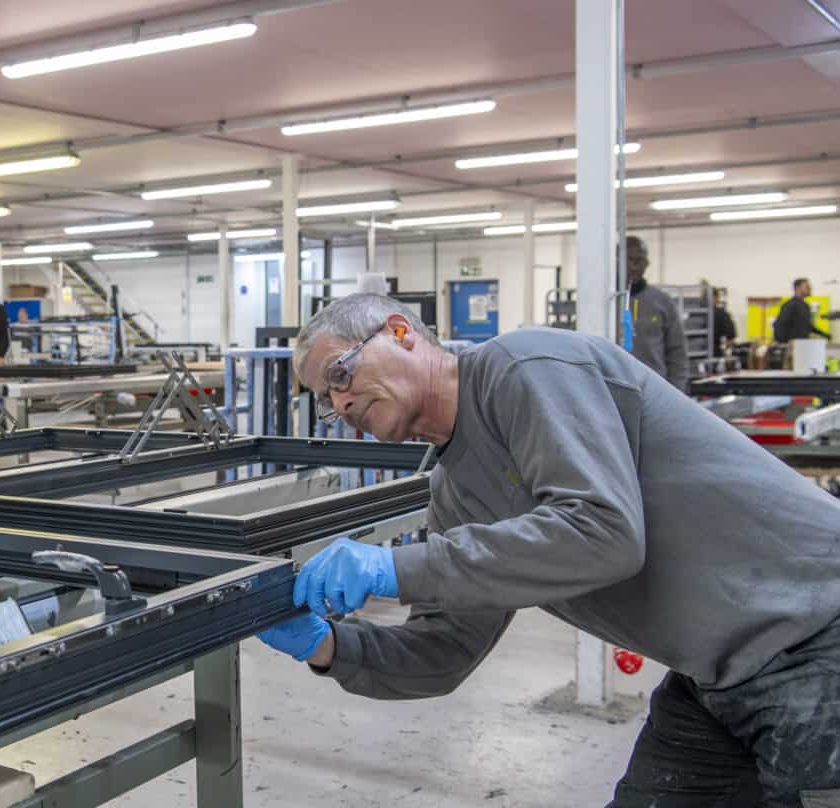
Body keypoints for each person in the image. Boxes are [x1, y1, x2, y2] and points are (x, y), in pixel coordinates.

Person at [257, 293, 840, 807]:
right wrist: (328, 645)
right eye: (325, 399)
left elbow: (602, 533)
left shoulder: (527, 367)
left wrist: (394, 567)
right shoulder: (455, 494)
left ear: (401, 332)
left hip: (817, 634)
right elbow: (447, 650)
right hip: (717, 671)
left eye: (339, 373)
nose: (340, 403)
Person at [624, 236, 689, 391]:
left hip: (654, 390)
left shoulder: (662, 302)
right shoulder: (604, 304)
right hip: (612, 390)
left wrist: (676, 392)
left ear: (647, 263)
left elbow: (677, 350)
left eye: (639, 260)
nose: (634, 267)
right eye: (629, 259)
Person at [770, 277, 828, 342]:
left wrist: (823, 334)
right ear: (798, 288)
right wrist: (783, 343)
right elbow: (779, 324)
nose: (810, 288)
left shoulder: (805, 306)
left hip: (802, 344)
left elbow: (807, 326)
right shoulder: (791, 305)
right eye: (807, 287)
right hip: (792, 345)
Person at [712, 287, 737, 355]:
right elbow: (731, 336)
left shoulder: (695, 313)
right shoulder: (721, 313)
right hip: (713, 354)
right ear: (716, 297)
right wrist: (725, 350)